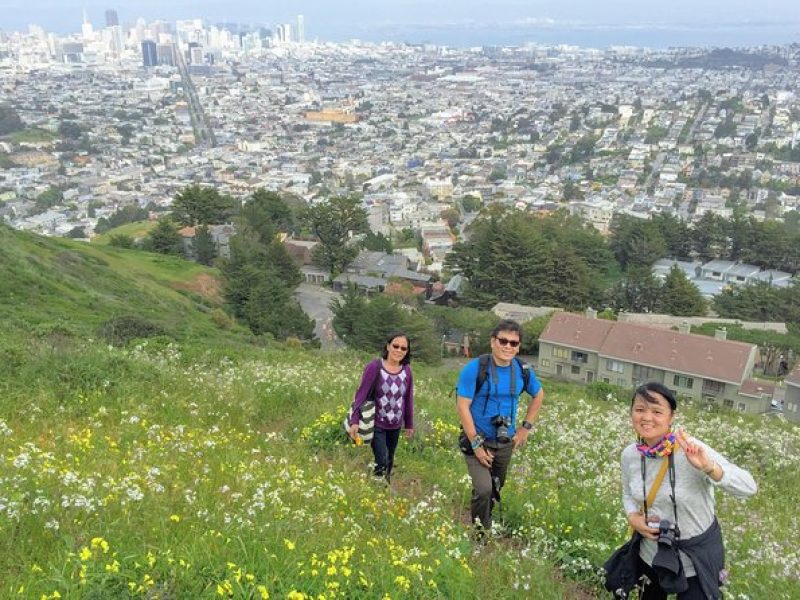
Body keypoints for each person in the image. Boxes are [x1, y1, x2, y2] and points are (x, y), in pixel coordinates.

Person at [620, 382, 757, 599]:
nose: (647, 417)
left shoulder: (690, 450)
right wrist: (632, 518)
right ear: (631, 413)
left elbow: (749, 487)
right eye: (640, 410)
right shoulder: (630, 455)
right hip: (651, 555)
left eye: (657, 411)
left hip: (696, 559)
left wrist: (709, 468)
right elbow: (628, 494)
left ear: (671, 416)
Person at [455, 319, 544, 532]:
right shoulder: (475, 368)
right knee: (484, 489)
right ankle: (479, 534)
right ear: (492, 342)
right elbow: (462, 406)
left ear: (519, 346)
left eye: (514, 343)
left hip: (505, 441)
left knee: (495, 486)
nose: (508, 346)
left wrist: (525, 428)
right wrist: (476, 444)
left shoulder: (522, 370)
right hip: (477, 438)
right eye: (503, 341)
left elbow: (539, 395)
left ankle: (486, 519)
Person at [348, 332, 414, 482]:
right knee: (382, 459)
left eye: (403, 348)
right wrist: (355, 420)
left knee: (390, 459)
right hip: (377, 423)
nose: (399, 350)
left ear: (407, 351)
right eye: (395, 346)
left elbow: (408, 399)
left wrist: (409, 424)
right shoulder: (375, 367)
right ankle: (377, 488)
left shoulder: (407, 371)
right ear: (388, 346)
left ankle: (385, 486)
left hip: (395, 425)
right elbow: (361, 394)